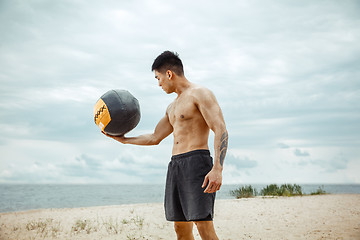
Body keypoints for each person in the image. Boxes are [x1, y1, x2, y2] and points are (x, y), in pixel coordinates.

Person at [103, 51, 228, 240]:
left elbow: (220, 128)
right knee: (180, 227)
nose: (159, 84)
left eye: (158, 78)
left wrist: (217, 168)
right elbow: (154, 137)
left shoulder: (200, 94)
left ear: (169, 74)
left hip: (197, 162)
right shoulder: (172, 107)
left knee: (203, 224)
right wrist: (124, 140)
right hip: (176, 165)